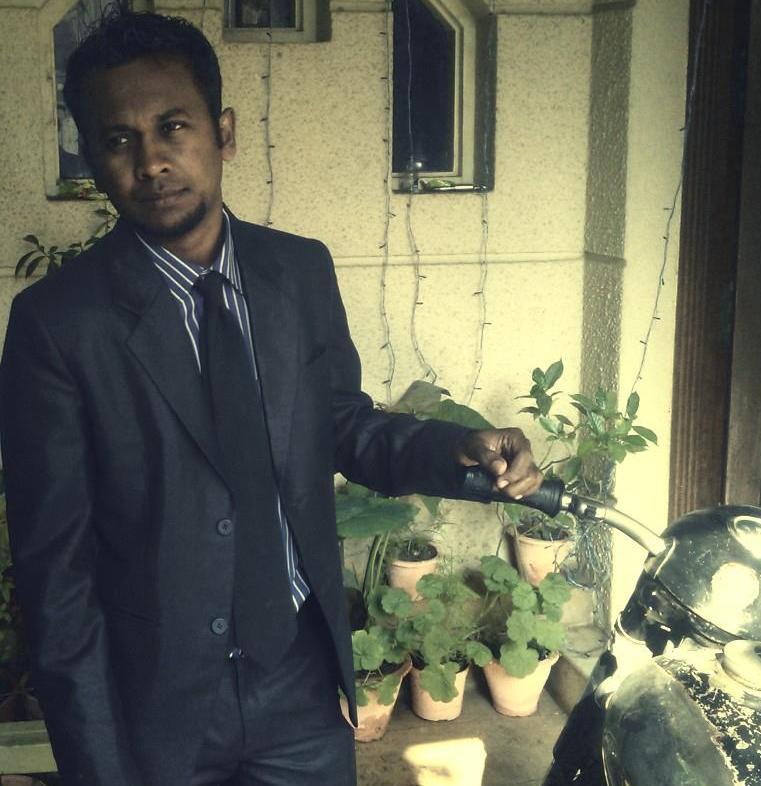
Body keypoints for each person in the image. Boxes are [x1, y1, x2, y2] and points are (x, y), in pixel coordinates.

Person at [0, 10, 542, 786]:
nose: (151, 161)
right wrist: (98, 764)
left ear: (223, 133)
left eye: (173, 126)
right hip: (155, 708)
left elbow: (341, 424)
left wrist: (455, 449)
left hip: (298, 682)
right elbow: (57, 580)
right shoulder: (58, 325)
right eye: (119, 139)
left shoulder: (298, 272)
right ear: (92, 156)